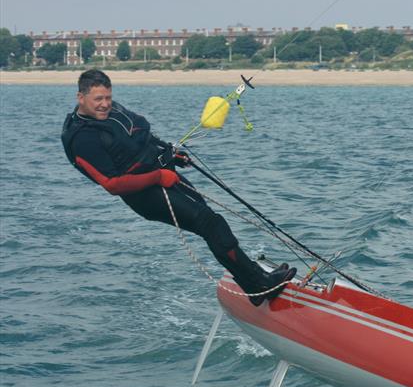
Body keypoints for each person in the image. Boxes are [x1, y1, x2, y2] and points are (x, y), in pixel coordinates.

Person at [61, 69, 295, 306]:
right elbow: (112, 184)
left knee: (211, 222)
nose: (105, 104)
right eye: (98, 99)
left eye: (108, 97)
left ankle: (254, 280)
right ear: (81, 97)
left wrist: (170, 153)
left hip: (162, 174)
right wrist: (158, 177)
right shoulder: (82, 138)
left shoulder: (112, 112)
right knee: (210, 223)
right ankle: (259, 285)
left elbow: (141, 138)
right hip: (144, 194)